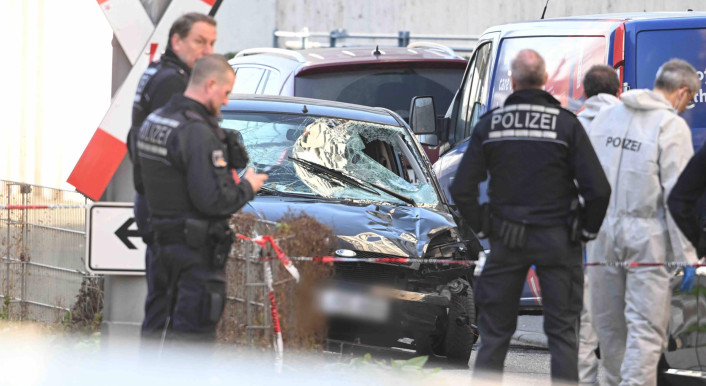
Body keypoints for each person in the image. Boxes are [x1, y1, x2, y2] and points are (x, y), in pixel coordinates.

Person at [450, 49, 611, 383]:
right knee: (563, 336)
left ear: (512, 80)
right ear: (543, 80)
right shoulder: (566, 124)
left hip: (506, 238)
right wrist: (583, 230)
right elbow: (598, 189)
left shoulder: (492, 124)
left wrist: (485, 225)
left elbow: (463, 187)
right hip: (558, 239)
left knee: (494, 335)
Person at [136, 54, 268, 344]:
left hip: (160, 247)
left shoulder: (155, 120)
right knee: (191, 342)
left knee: (156, 329)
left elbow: (141, 182)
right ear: (210, 84)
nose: (227, 102)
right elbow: (212, 200)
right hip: (194, 255)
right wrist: (248, 186)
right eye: (226, 92)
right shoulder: (196, 132)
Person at [586, 58, 699, 386]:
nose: (686, 108)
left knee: (609, 328)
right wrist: (687, 256)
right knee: (646, 330)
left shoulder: (606, 117)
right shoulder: (670, 126)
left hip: (601, 235)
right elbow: (677, 196)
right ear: (681, 92)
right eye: (689, 100)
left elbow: (583, 177)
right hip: (646, 238)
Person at [126, 13, 217, 338]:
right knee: (171, 314)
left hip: (154, 205)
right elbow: (166, 152)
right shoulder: (173, 83)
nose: (207, 51)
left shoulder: (158, 72)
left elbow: (134, 140)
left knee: (161, 306)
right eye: (199, 41)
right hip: (166, 211)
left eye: (212, 44)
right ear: (176, 41)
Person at [576, 64, 621, 385]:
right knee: (623, 318)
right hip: (630, 229)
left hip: (584, 232)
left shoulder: (574, 125)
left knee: (587, 318)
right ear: (618, 90)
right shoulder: (632, 123)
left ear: (585, 91)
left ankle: (584, 380)